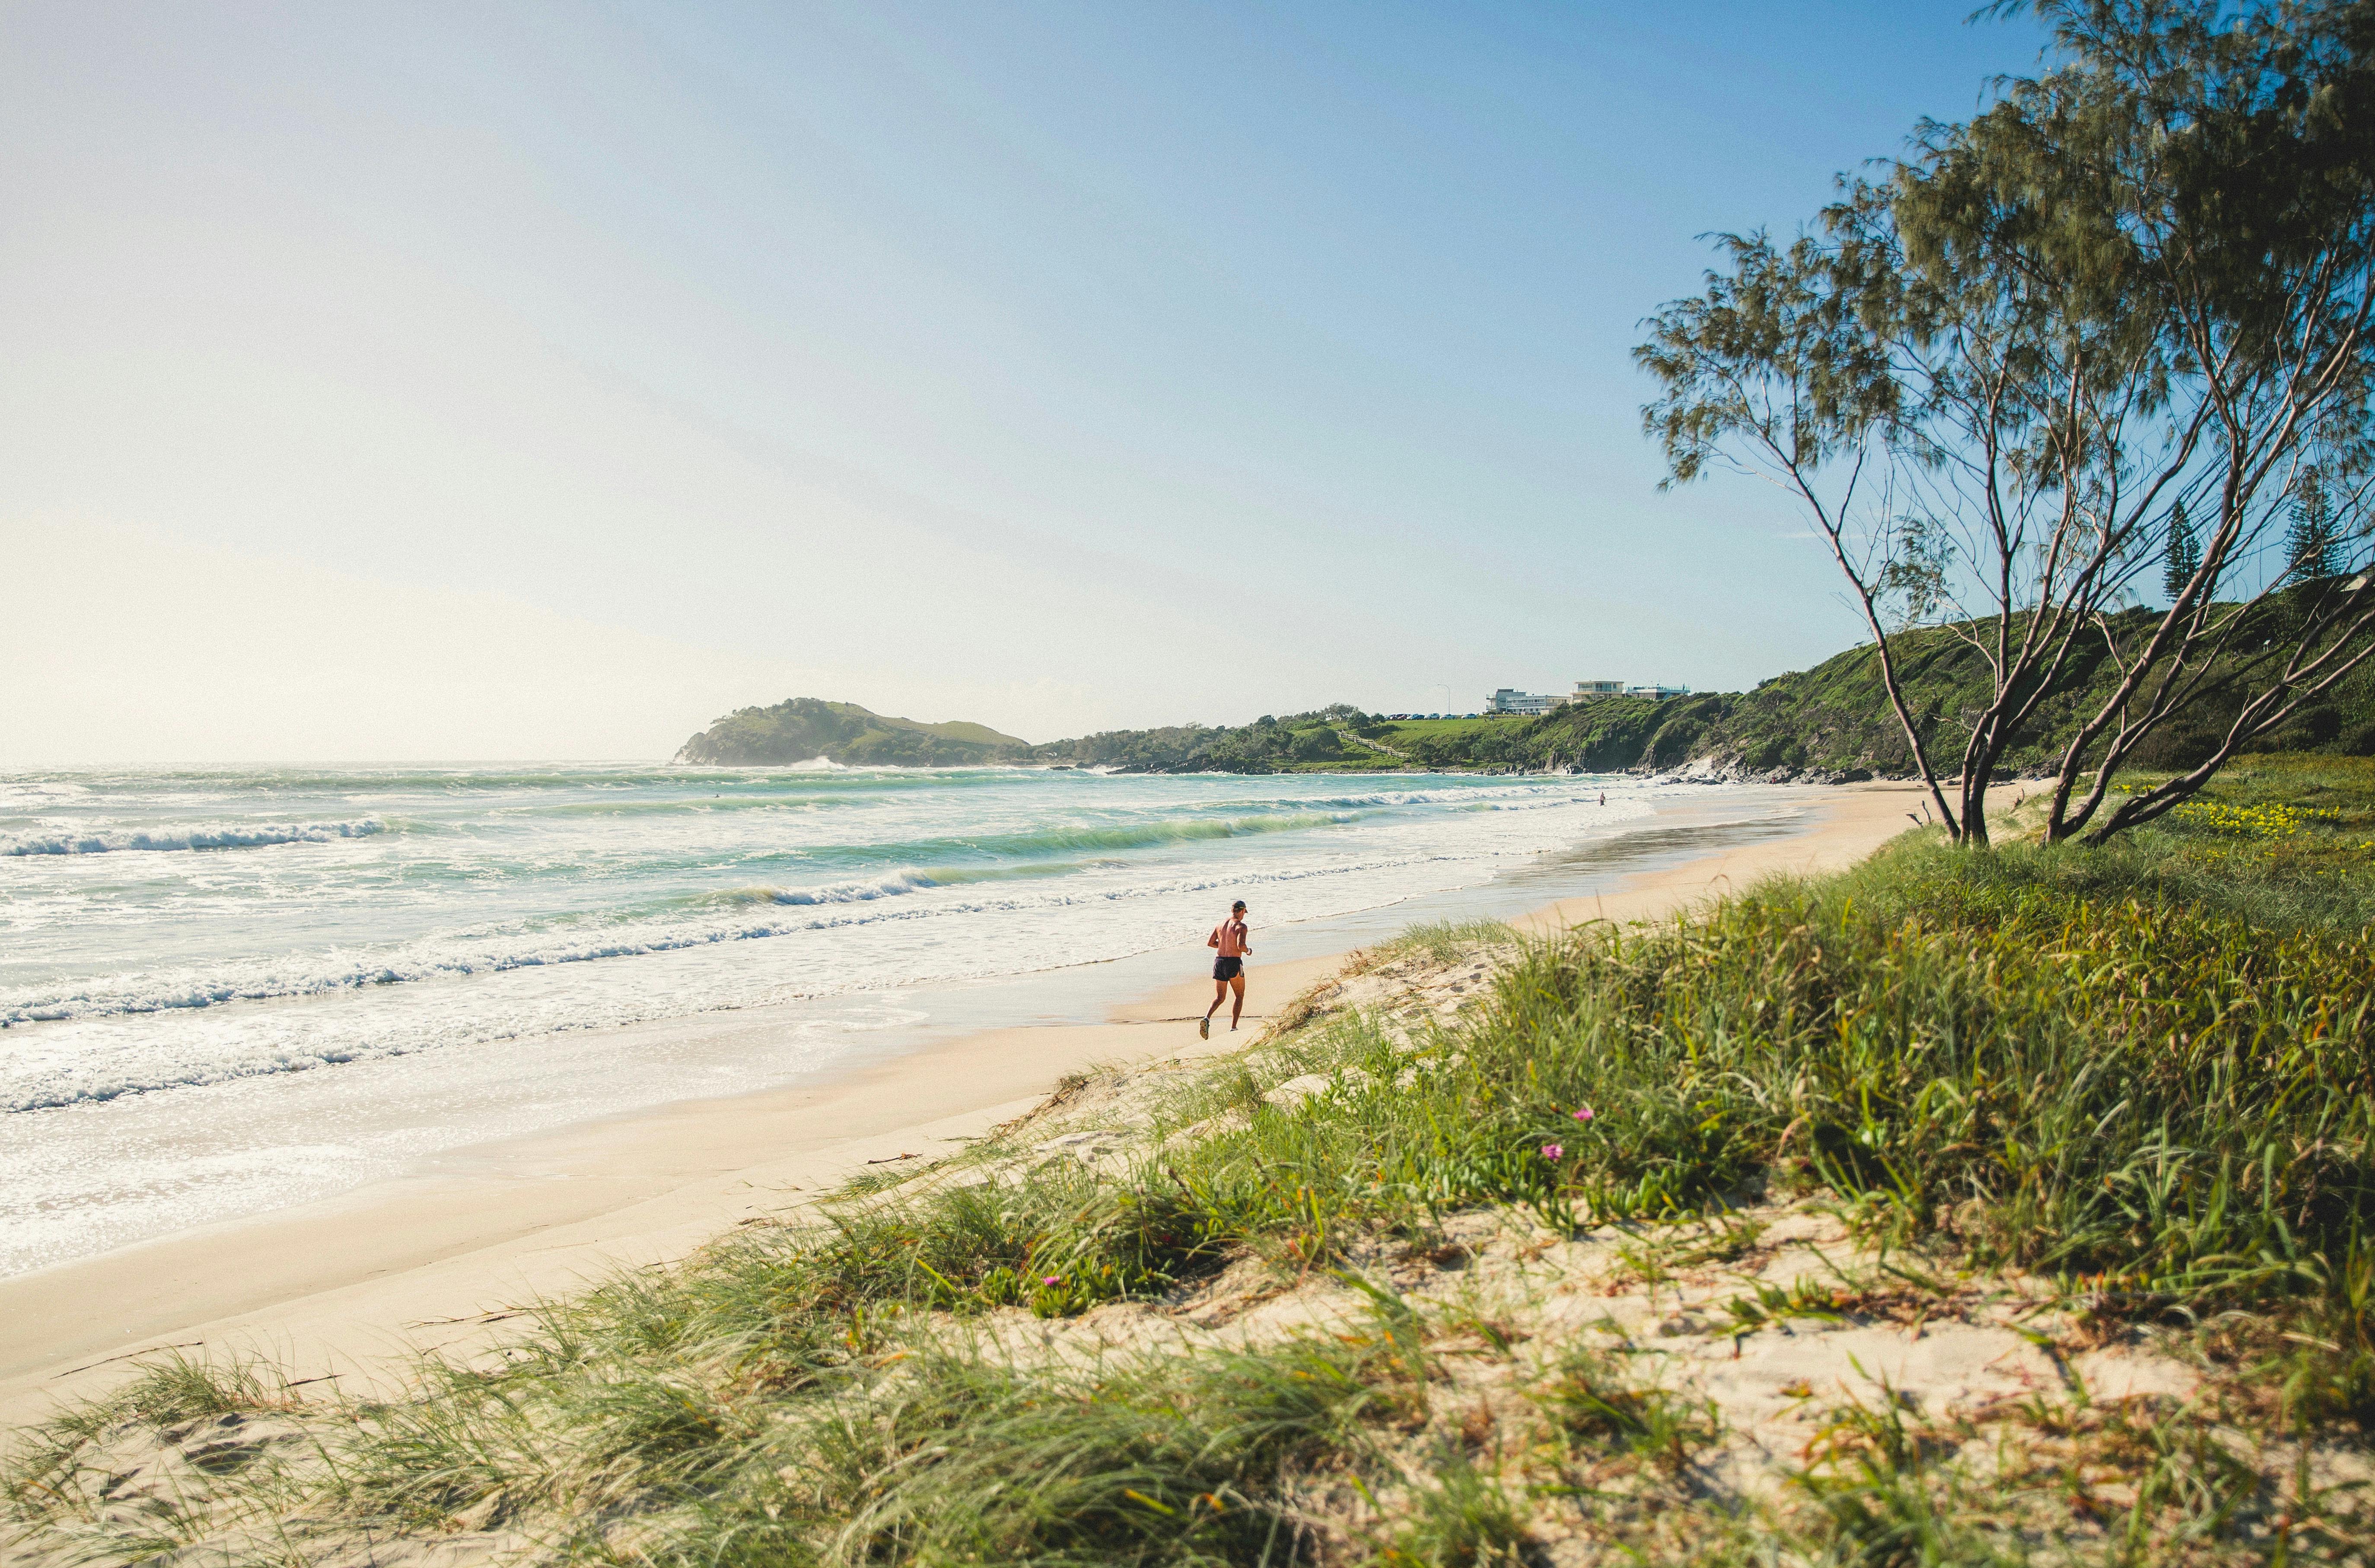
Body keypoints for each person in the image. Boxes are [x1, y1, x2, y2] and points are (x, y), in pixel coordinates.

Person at [1202, 899, 1251, 1038]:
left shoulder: (1220, 925)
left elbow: (1210, 943)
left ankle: (1207, 1018)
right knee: (1239, 996)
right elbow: (1241, 946)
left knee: (1220, 997)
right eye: (1244, 913)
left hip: (1219, 962)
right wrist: (1248, 951)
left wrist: (1224, 946)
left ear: (1232, 910)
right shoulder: (1241, 926)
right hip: (1233, 963)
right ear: (1242, 911)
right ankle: (1234, 1028)